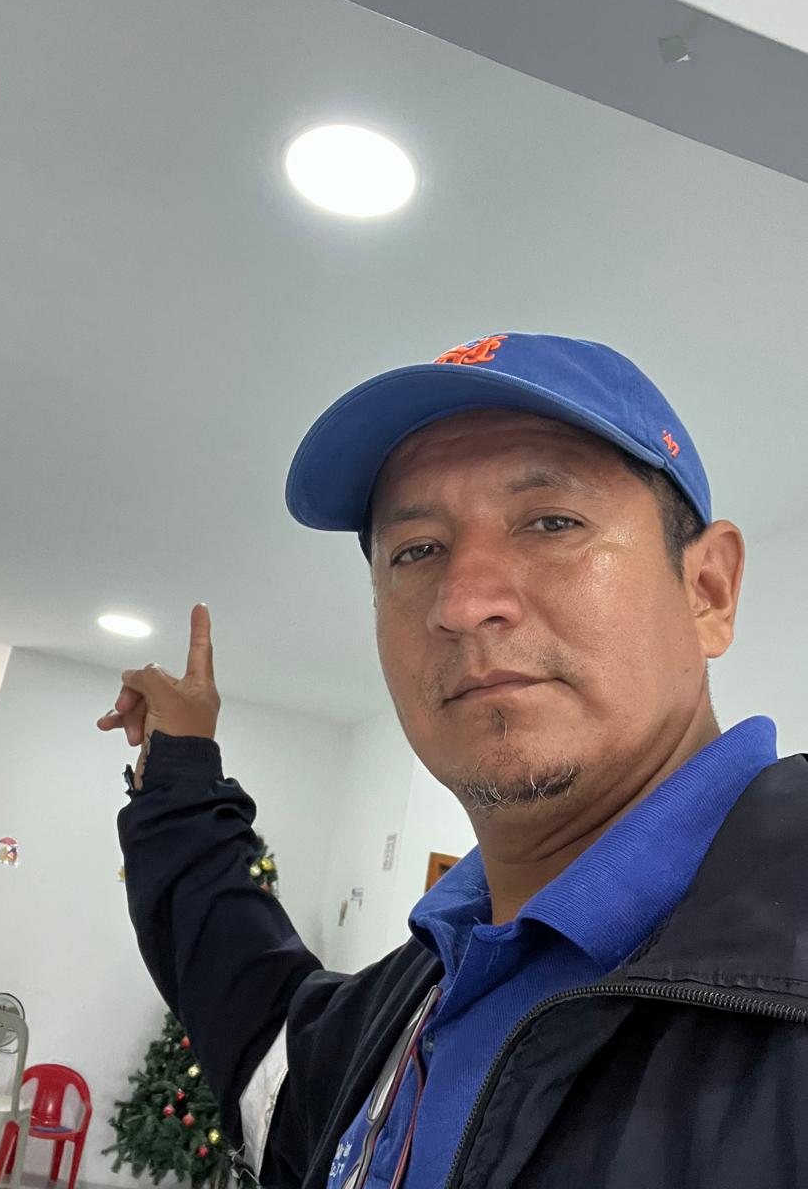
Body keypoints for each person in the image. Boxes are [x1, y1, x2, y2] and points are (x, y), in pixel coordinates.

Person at [99, 332, 808, 1189]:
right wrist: (179, 768)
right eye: (416, 551)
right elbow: (248, 1012)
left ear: (707, 590)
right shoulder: (400, 1018)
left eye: (551, 522)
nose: (463, 601)